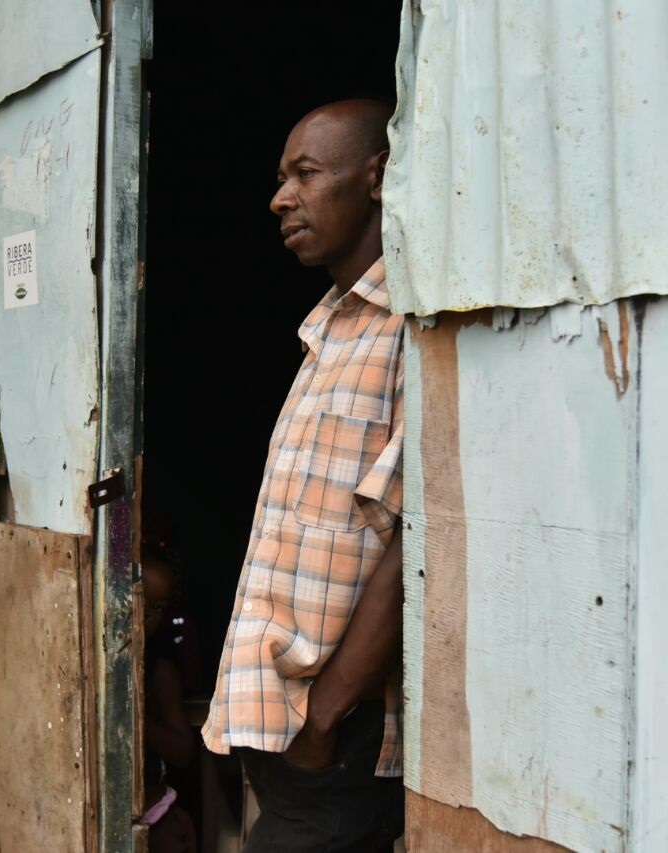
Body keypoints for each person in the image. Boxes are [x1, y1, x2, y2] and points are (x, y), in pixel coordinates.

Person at [200, 98, 405, 852]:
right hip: (289, 739)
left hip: (338, 752)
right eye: (282, 177)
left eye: (306, 173)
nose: (280, 197)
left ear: (377, 177)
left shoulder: (413, 332)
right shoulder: (330, 329)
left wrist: (323, 719)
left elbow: (414, 549)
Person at [140, 549, 198, 853]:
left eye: (158, 606)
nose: (148, 614)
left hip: (152, 808)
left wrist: (136, 718)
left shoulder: (159, 672)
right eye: (141, 600)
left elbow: (183, 751)